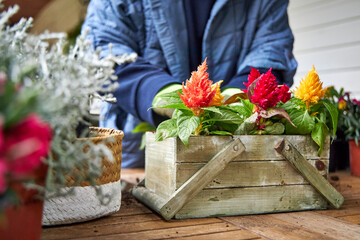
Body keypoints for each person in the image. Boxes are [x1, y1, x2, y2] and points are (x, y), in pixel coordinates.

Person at [83, 0, 297, 168]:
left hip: (240, 153)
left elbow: (272, 52)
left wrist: (231, 104)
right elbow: (103, 51)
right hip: (137, 157)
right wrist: (175, 99)